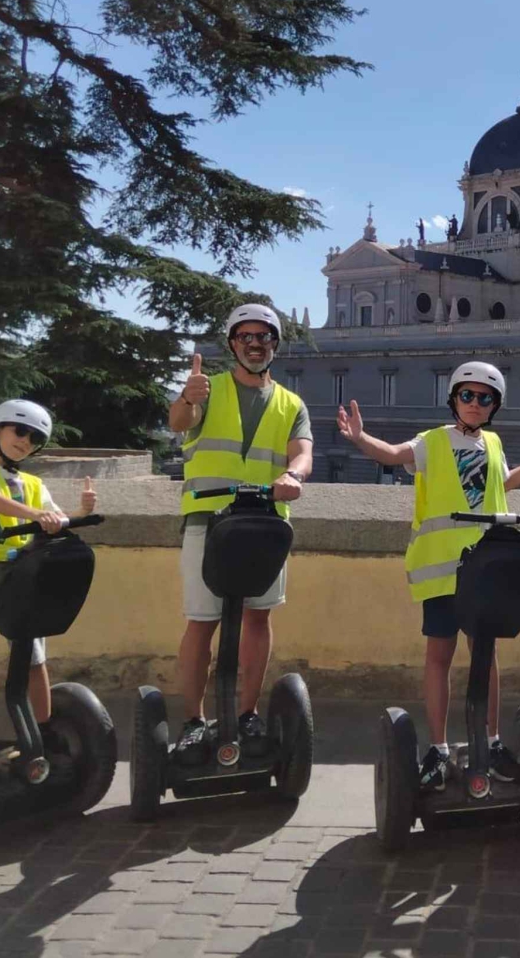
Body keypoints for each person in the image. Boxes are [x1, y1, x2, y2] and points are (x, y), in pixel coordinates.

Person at [337, 361, 520, 791]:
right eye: (467, 395)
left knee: (486, 655)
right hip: (443, 569)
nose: (474, 403)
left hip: (486, 568)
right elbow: (393, 456)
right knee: (440, 656)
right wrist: (359, 438)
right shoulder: (433, 441)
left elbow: (503, 484)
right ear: (454, 400)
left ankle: (491, 741)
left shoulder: (494, 442)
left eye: (484, 398)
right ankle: (439, 748)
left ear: (494, 406)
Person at [168, 303, 314, 763]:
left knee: (258, 618)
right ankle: (193, 720)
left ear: (275, 343)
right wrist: (188, 398)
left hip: (265, 524)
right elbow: (179, 425)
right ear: (232, 343)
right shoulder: (207, 391)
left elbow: (303, 453)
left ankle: (247, 712)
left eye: (264, 336)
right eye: (246, 336)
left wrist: (294, 476)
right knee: (202, 622)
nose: (255, 343)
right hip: (208, 520)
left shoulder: (292, 403)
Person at [0, 400, 97, 750]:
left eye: (33, 438)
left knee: (33, 661)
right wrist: (38, 514)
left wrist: (81, 512)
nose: (25, 441)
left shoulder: (32, 482)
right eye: (19, 430)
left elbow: (54, 519)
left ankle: (44, 739)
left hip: (23, 578)